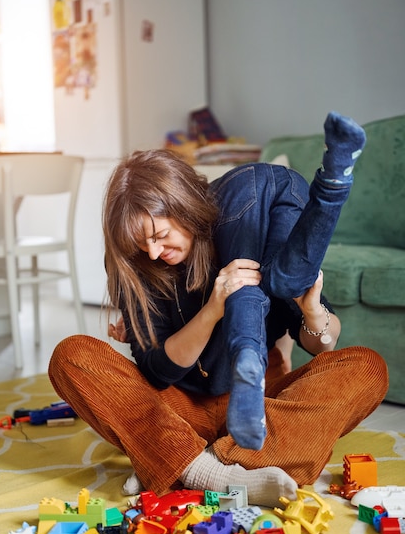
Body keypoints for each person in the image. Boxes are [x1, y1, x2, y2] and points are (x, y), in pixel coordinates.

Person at [48, 112, 388, 509]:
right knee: (71, 356)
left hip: (261, 406)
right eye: (144, 246)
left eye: (160, 236)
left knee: (367, 368)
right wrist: (212, 309)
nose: (155, 252)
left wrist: (312, 311)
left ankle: (180, 463)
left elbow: (323, 347)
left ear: (185, 206)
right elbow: (157, 372)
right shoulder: (139, 264)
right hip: (177, 408)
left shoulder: (249, 225)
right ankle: (215, 475)